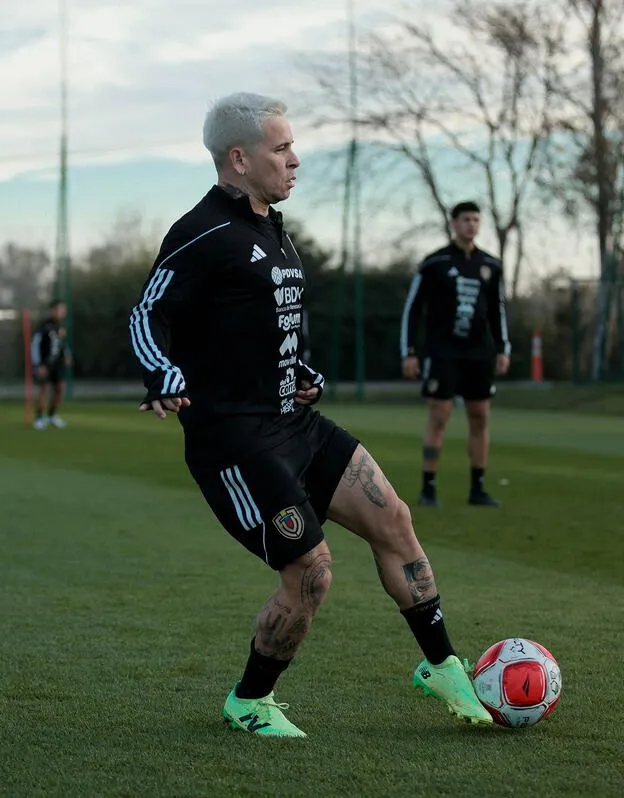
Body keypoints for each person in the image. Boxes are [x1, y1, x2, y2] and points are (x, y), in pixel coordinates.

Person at [129, 93, 492, 737]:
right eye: (282, 148)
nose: (296, 160)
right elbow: (146, 313)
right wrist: (164, 373)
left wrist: (301, 374)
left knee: (395, 521)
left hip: (293, 424)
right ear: (239, 158)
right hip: (237, 439)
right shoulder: (203, 230)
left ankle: (441, 666)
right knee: (312, 571)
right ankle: (249, 700)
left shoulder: (271, 227)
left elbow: (260, 326)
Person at [400, 202, 511, 508]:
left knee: (480, 417)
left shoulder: (491, 264)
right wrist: (410, 352)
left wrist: (503, 348)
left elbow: (496, 310)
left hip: (479, 354)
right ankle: (429, 488)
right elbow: (413, 309)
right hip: (442, 352)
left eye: (476, 220)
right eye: (466, 220)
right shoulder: (434, 263)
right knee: (439, 416)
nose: (471, 225)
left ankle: (478, 488)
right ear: (454, 223)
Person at [31, 300, 72, 430]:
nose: (62, 312)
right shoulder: (44, 326)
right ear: (53, 310)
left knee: (60, 388)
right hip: (45, 364)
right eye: (60, 309)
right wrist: (38, 364)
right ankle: (39, 418)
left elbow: (62, 343)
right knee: (44, 389)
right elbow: (35, 345)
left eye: (63, 310)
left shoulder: (61, 326)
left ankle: (52, 415)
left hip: (57, 364)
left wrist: (66, 355)